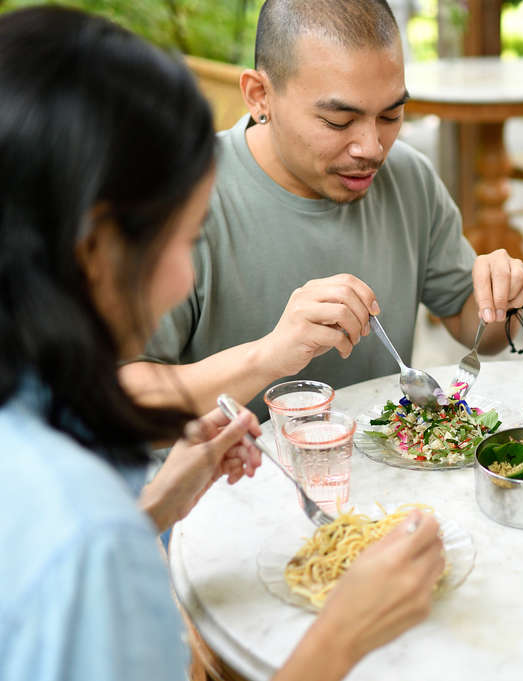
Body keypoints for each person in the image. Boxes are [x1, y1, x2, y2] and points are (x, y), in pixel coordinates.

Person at [0, 8, 445, 680]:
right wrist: (345, 631)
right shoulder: (91, 546)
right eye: (179, 240)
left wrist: (153, 506)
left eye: (389, 116)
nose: (186, 274)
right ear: (95, 246)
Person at [120, 0, 523, 420]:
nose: (372, 148)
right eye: (339, 122)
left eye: (391, 115)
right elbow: (120, 399)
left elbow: (473, 326)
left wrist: (502, 301)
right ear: (259, 95)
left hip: (383, 477)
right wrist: (270, 355)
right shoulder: (175, 197)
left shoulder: (409, 177)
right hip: (231, 479)